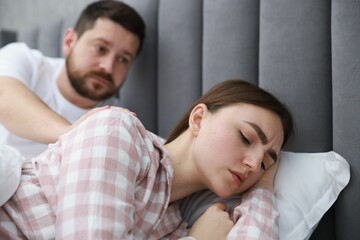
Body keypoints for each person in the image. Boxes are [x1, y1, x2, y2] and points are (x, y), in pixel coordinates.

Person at [0, 80, 294, 239]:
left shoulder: (173, 227)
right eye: (245, 137)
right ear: (199, 119)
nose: (255, 164)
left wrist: (264, 188)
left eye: (267, 162)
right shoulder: (117, 130)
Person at [0, 0, 146, 159]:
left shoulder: (117, 122)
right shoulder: (24, 59)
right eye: (100, 48)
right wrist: (73, 134)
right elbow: (5, 96)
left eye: (123, 59)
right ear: (69, 41)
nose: (108, 67)